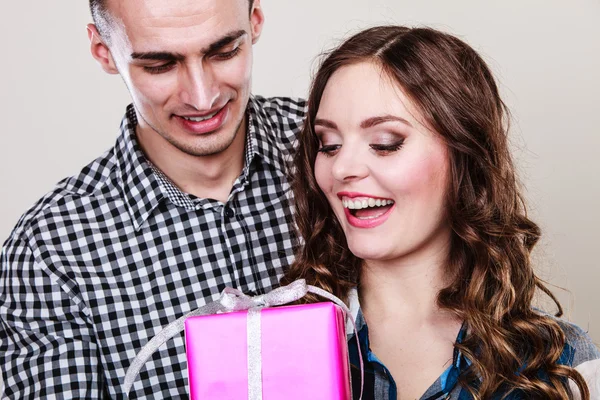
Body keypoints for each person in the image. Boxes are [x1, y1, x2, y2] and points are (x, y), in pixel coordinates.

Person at [0, 0, 304, 398]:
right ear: (103, 52)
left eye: (224, 51)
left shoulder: (337, 151)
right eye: (160, 65)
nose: (202, 96)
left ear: (256, 21)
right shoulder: (48, 251)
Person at [281, 26, 600, 399]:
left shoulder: (563, 363)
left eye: (385, 144)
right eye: (329, 145)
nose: (341, 169)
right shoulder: (276, 344)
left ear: (463, 154)